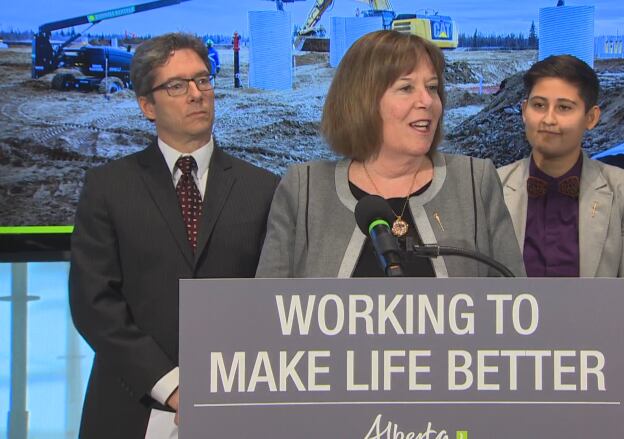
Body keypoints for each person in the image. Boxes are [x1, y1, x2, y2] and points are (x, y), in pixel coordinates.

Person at [68, 33, 278, 439]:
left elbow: (273, 300)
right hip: (130, 405)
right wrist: (173, 387)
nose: (197, 94)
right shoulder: (108, 187)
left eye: (203, 80)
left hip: (235, 406)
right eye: (177, 86)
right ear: (147, 105)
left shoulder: (264, 188)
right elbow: (93, 302)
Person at [256, 30, 524, 278]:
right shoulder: (303, 190)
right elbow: (267, 314)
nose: (427, 102)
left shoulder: (476, 182)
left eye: (432, 87)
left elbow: (513, 308)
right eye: (406, 88)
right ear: (362, 102)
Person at [497, 55, 624, 439]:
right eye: (539, 105)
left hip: (605, 382)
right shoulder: (491, 187)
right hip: (513, 388)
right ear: (524, 111)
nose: (549, 119)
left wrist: (578, 365)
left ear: (591, 117)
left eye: (565, 107)